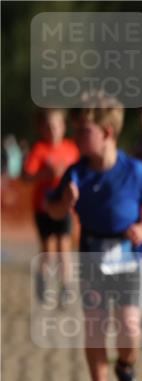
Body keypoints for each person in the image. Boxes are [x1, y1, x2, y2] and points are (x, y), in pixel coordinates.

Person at [47, 92, 142, 381]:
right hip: (91, 253)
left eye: (83, 130)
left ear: (107, 133)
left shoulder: (134, 170)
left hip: (128, 255)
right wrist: (64, 203)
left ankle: (126, 368)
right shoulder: (76, 173)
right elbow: (52, 207)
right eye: (74, 129)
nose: (76, 137)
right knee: (96, 326)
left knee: (130, 326)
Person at [23, 109, 80, 306]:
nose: (52, 130)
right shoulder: (39, 149)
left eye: (56, 126)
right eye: (48, 126)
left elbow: (79, 174)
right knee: (48, 250)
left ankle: (66, 287)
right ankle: (43, 279)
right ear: (42, 128)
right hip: (43, 208)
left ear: (63, 127)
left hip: (64, 206)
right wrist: (45, 175)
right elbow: (27, 176)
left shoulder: (71, 149)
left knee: (64, 247)